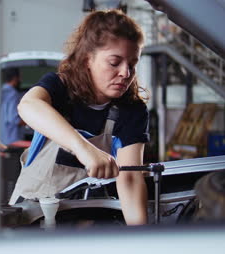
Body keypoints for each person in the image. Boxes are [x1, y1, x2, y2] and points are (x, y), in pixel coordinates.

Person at [9, 9, 150, 225]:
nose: (126, 73)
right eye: (114, 62)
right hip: (32, 215)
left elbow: (130, 178)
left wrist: (141, 240)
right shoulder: (60, 88)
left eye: (132, 64)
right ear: (87, 60)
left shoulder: (132, 109)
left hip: (85, 219)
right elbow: (28, 105)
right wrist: (84, 149)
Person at [0, 68, 25, 145]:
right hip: (12, 140)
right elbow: (14, 119)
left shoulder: (1, 91)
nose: (20, 80)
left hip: (1, 138)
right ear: (15, 78)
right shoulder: (13, 94)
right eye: (20, 77)